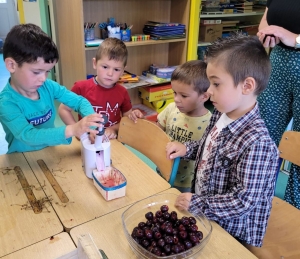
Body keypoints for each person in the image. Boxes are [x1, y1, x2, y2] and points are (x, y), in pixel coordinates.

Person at [166, 33, 279, 247]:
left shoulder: (258, 143)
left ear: (247, 86)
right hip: (204, 215)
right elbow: (209, 147)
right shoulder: (222, 112)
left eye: (216, 84)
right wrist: (187, 148)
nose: (208, 91)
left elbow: (242, 201)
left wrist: (199, 203)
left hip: (230, 233)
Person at [0, 24, 103, 154]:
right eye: (37, 72)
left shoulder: (48, 86)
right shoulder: (6, 103)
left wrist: (91, 127)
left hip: (50, 152)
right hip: (22, 159)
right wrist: (72, 129)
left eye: (47, 71)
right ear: (11, 65)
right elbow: (28, 135)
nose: (43, 78)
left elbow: (80, 102)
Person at [131, 60, 211, 192]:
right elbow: (157, 128)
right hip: (162, 168)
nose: (176, 99)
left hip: (186, 182)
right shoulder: (171, 108)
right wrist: (142, 120)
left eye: (184, 95)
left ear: (204, 96)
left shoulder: (209, 122)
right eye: (175, 93)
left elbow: (206, 153)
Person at [256, 0, 300, 209]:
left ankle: (295, 217)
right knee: (263, 138)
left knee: (299, 147)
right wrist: (266, 32)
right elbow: (267, 18)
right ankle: (256, 203)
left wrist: (296, 39)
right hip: (278, 61)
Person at [59, 37, 139, 140]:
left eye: (116, 69)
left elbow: (127, 121)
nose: (110, 73)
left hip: (112, 142)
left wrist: (113, 129)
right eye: (105, 67)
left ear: (123, 70)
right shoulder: (80, 87)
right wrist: (77, 130)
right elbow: (63, 109)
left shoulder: (122, 92)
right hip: (87, 143)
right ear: (94, 63)